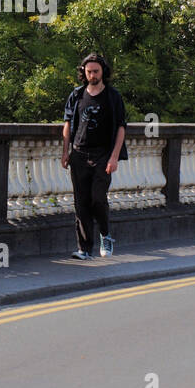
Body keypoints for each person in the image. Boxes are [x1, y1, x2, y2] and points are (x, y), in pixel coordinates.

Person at [61, 53, 127, 260]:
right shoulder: (77, 95)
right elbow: (67, 124)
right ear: (84, 73)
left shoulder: (112, 96)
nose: (92, 75)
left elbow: (121, 128)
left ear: (103, 72)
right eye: (88, 71)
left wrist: (114, 157)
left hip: (103, 154)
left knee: (98, 198)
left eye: (95, 71)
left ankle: (105, 235)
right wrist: (65, 151)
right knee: (81, 203)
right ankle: (84, 248)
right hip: (79, 153)